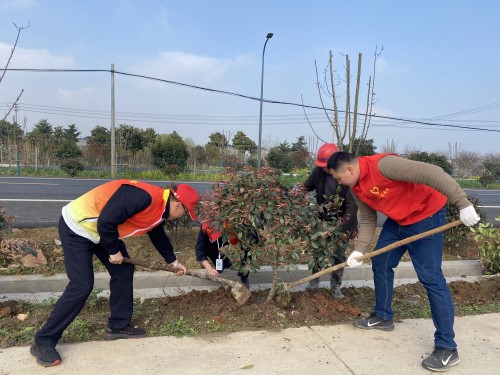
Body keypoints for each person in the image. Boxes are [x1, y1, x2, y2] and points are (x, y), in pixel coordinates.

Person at [327, 152, 480, 372]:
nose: (338, 182)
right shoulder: (356, 187)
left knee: (430, 277)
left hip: (426, 216)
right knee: (380, 261)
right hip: (399, 220)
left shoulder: (385, 165)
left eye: (339, 178)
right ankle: (383, 316)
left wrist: (462, 203)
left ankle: (447, 347)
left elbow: (434, 173)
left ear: (349, 170)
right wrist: (358, 251)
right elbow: (369, 219)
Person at [30, 179, 200, 367]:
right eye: (185, 211)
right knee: (82, 285)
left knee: (124, 271)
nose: (183, 215)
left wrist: (173, 262)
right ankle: (43, 340)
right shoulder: (143, 197)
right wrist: (112, 250)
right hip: (77, 228)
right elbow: (106, 221)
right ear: (177, 204)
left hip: (101, 232)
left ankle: (118, 326)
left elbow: (156, 233)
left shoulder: (160, 208)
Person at [302, 143, 358, 298]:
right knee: (318, 253)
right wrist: (298, 198)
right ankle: (314, 283)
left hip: (343, 222)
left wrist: (340, 228)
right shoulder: (318, 173)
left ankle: (335, 287)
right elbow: (306, 187)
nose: (325, 169)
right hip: (322, 221)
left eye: (326, 166)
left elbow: (352, 207)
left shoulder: (347, 179)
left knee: (339, 255)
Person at [195, 221, 251, 288]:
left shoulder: (234, 222)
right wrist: (209, 268)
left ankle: (244, 275)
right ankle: (224, 264)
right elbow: (200, 249)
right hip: (214, 241)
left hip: (230, 235)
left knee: (248, 247)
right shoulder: (205, 228)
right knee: (208, 247)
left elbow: (250, 233)